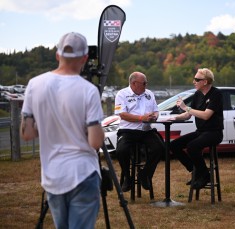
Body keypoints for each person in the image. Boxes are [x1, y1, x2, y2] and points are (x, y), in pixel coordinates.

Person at [20, 32, 105, 229]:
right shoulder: (88, 90)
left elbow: (27, 134)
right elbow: (95, 142)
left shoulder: (34, 84)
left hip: (53, 176)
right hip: (82, 172)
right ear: (85, 58)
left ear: (57, 56)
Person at [169, 68, 224, 189]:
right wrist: (173, 118)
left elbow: (206, 115)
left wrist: (186, 108)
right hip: (200, 132)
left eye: (196, 79)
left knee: (192, 146)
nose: (194, 81)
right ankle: (195, 170)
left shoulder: (216, 94)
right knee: (174, 145)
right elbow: (188, 114)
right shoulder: (198, 94)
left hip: (214, 132)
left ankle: (204, 175)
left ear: (205, 82)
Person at [114, 71, 164, 192]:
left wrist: (154, 116)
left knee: (161, 148)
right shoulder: (122, 94)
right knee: (121, 151)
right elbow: (122, 115)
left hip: (146, 130)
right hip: (128, 130)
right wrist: (141, 118)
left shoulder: (149, 94)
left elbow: (156, 110)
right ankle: (127, 177)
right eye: (144, 83)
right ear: (134, 83)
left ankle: (145, 174)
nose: (146, 85)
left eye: (146, 83)